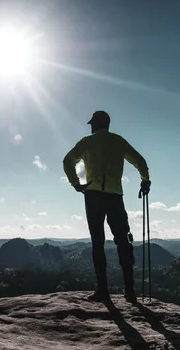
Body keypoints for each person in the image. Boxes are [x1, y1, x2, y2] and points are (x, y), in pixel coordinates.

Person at [63, 110, 151, 304]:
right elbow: (140, 161)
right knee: (123, 241)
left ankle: (103, 291)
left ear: (96, 124)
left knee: (98, 242)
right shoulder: (119, 141)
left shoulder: (86, 142)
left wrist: (76, 184)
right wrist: (145, 180)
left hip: (93, 194)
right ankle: (130, 291)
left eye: (92, 123)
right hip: (115, 196)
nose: (91, 126)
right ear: (108, 124)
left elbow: (67, 160)